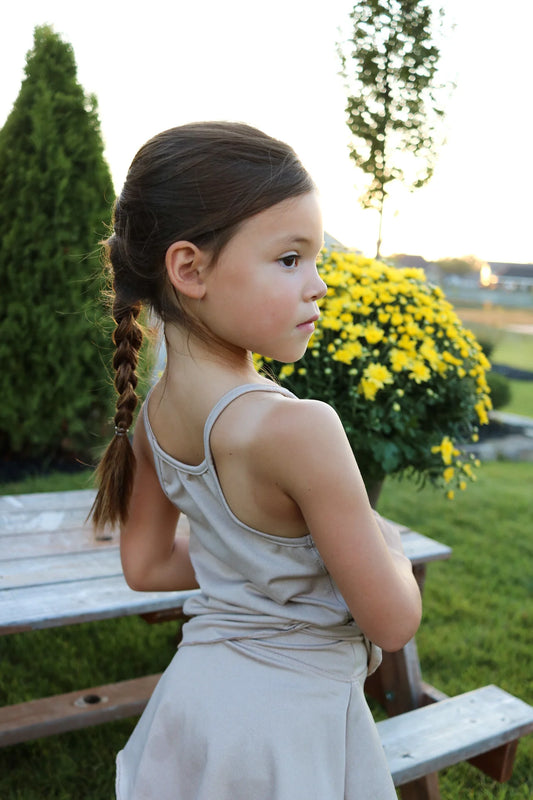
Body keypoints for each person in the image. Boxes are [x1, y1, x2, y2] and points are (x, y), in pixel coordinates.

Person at [91, 121, 422, 800]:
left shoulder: (152, 418)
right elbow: (391, 621)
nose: (318, 285)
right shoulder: (298, 427)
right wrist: (381, 541)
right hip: (285, 730)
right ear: (190, 269)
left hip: (201, 709)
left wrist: (257, 561)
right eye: (289, 259)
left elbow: (145, 565)